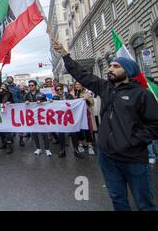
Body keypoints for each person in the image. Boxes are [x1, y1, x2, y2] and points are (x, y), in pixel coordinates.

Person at [53, 39, 158, 211]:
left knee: (144, 203)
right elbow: (81, 74)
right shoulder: (105, 87)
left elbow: (155, 125)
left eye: (116, 66)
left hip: (134, 159)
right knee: (118, 199)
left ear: (128, 71)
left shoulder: (142, 95)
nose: (110, 69)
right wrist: (65, 55)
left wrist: (132, 140)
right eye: (110, 66)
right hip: (108, 158)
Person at [52, 85, 83, 159]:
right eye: (57, 90)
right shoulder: (55, 98)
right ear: (56, 91)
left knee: (73, 134)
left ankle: (76, 150)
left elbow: (74, 105)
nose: (59, 90)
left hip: (69, 117)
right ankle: (62, 150)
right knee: (61, 135)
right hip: (60, 119)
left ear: (63, 89)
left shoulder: (69, 95)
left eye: (60, 89)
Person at [25, 80, 52, 157]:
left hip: (41, 117)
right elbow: (23, 102)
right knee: (34, 134)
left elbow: (46, 103)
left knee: (44, 133)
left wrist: (42, 102)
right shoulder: (27, 95)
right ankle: (38, 148)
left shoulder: (41, 94)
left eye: (32, 85)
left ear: (36, 86)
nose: (30, 87)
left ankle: (47, 149)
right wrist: (26, 101)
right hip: (32, 117)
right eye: (29, 85)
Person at [74, 82, 96, 156]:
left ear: (82, 85)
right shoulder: (73, 93)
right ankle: (80, 145)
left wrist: (85, 99)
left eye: (79, 84)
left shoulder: (86, 92)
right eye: (76, 84)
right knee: (78, 130)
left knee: (88, 130)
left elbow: (92, 102)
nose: (77, 85)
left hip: (86, 115)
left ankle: (90, 146)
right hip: (76, 115)